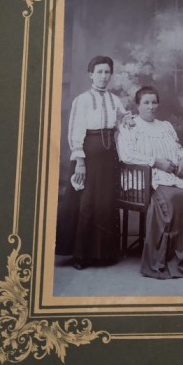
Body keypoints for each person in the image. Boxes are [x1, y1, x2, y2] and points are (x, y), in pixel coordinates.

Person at [117, 86, 183, 280]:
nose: (151, 107)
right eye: (146, 103)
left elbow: (177, 148)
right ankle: (164, 257)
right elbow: (127, 155)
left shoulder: (165, 126)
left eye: (154, 102)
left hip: (171, 173)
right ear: (137, 105)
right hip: (146, 177)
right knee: (171, 199)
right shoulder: (130, 126)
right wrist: (156, 162)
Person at [56, 55, 129, 270]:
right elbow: (75, 131)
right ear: (91, 74)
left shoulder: (115, 99)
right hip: (88, 156)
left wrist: (128, 120)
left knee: (105, 201)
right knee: (87, 201)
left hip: (109, 157)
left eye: (107, 72)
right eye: (99, 72)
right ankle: (82, 255)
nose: (104, 76)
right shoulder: (82, 100)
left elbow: (123, 119)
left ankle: (104, 254)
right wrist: (80, 161)